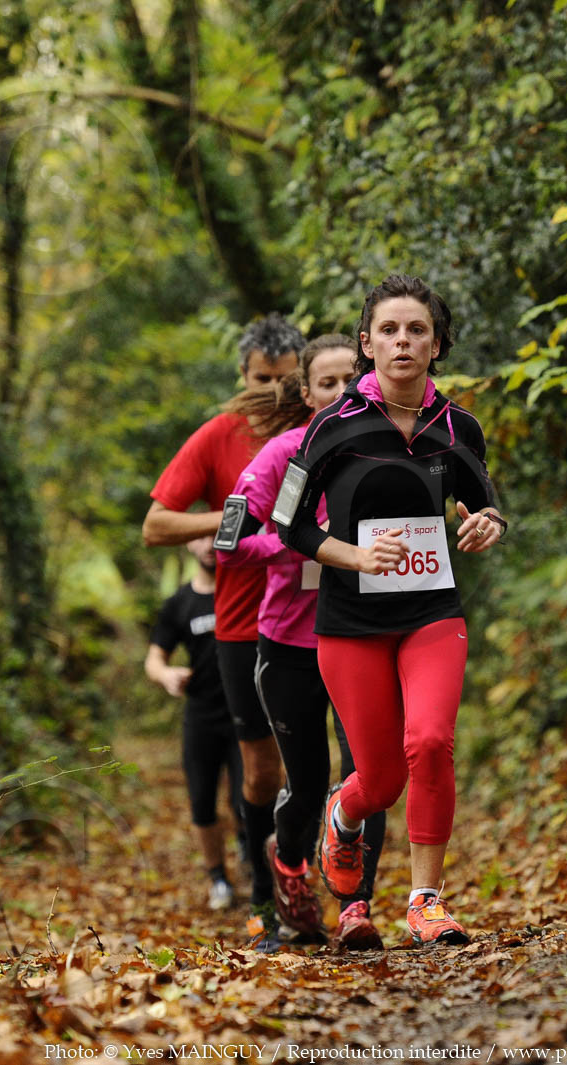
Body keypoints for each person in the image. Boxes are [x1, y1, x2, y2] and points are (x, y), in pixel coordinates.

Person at [277, 275, 507, 948]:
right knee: (379, 779)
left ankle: (426, 901)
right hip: (350, 622)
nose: (402, 341)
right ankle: (343, 816)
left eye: (416, 330)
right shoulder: (332, 425)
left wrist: (487, 523)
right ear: (367, 343)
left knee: (430, 741)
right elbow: (289, 523)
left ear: (437, 344)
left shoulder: (459, 426)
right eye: (389, 330)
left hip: (432, 612)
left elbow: (484, 502)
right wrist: (353, 556)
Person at [217, 336, 389, 950]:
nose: (342, 392)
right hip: (290, 643)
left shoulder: (387, 449)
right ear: (307, 394)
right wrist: (302, 543)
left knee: (368, 774)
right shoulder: (282, 454)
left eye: (351, 380)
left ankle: (355, 906)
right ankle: (288, 864)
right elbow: (230, 542)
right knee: (310, 782)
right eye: (327, 383)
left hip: (365, 636)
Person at [142, 313, 303, 950]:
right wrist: (230, 517)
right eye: (261, 379)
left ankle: (322, 891)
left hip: (320, 615)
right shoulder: (218, 435)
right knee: (260, 770)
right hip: (243, 624)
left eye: (285, 379)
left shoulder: (322, 426)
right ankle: (262, 891)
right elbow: (157, 524)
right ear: (242, 375)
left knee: (321, 762)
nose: (274, 392)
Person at [144, 536, 242, 911]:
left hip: (245, 714)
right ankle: (218, 878)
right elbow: (154, 660)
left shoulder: (246, 589)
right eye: (201, 536)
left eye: (217, 533)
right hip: (201, 717)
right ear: (189, 544)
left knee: (247, 799)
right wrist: (166, 675)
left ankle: (251, 854)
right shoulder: (179, 603)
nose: (211, 544)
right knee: (202, 802)